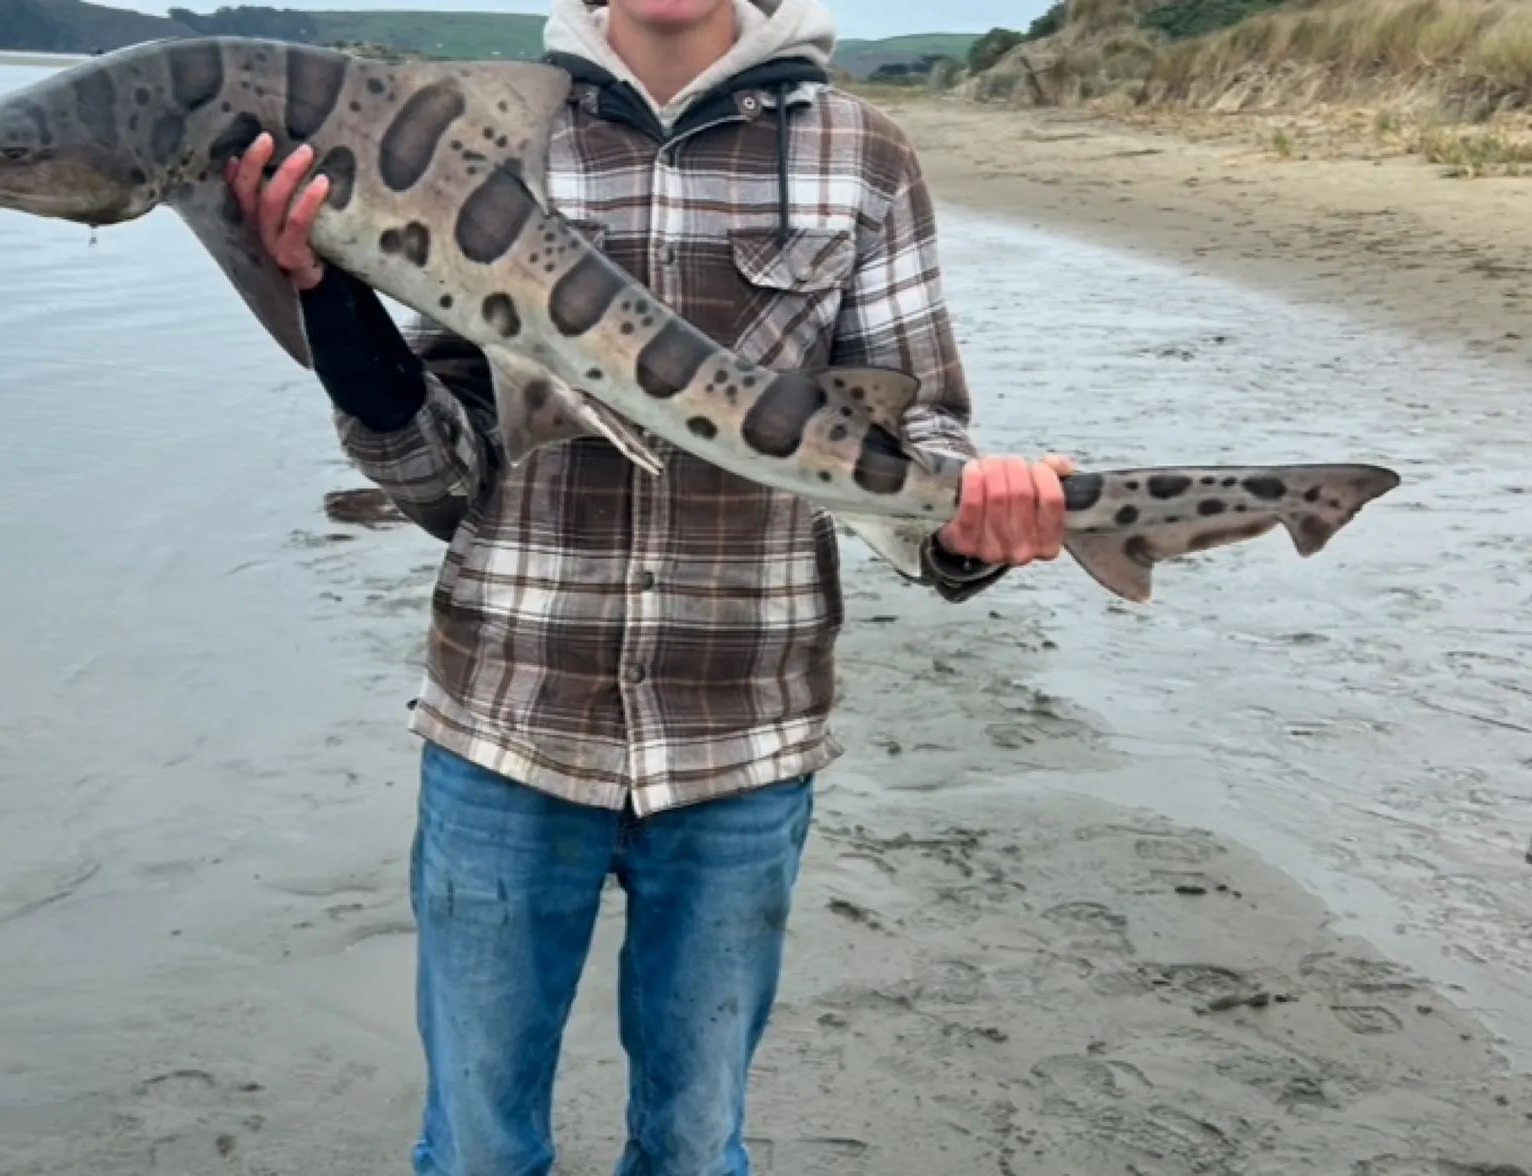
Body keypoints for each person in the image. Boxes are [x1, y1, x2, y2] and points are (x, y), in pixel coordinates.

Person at [226, 0, 1071, 1172]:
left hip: (743, 743)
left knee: (693, 1146)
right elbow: (444, 479)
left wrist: (981, 521)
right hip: (506, 730)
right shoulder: (480, 131)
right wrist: (330, 297)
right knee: (475, 1149)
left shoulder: (861, 154)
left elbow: (916, 432)